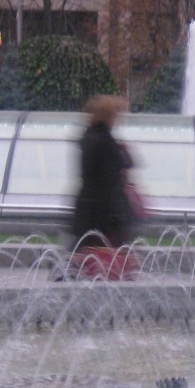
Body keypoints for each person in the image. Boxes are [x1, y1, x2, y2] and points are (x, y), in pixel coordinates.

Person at [70, 95, 136, 274]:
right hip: (104, 211)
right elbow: (111, 175)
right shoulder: (104, 141)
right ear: (108, 116)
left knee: (84, 254)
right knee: (106, 260)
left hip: (89, 208)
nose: (117, 119)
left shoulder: (90, 137)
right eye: (115, 115)